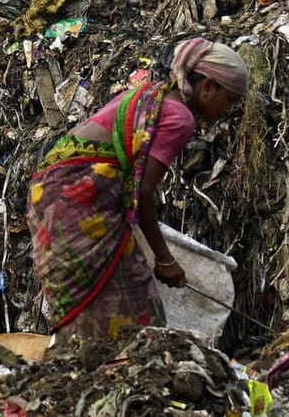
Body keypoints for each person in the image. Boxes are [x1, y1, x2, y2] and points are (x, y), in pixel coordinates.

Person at [26, 37, 249, 341]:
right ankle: (105, 370)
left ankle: (82, 364)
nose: (228, 110)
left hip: (49, 194)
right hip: (78, 203)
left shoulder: (151, 94)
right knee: (130, 303)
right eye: (230, 100)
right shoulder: (179, 117)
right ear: (208, 86)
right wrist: (165, 259)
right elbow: (144, 192)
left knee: (92, 297)